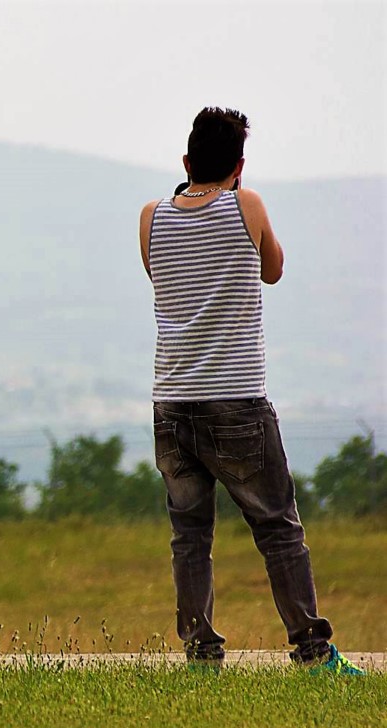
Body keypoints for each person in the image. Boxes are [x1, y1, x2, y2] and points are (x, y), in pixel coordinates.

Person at [137, 107, 362, 674]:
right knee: (277, 527)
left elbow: (162, 278)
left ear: (185, 162)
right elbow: (273, 269)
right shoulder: (248, 204)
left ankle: (201, 654)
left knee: (189, 535)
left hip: (172, 401)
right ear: (240, 166)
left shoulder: (151, 217)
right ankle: (313, 652)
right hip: (236, 399)